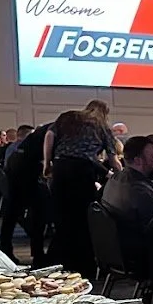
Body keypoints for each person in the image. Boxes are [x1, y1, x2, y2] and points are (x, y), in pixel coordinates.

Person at [43, 110, 120, 277]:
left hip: (61, 168)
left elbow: (49, 135)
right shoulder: (101, 126)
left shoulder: (68, 118)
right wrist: (122, 177)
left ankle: (55, 265)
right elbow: (113, 157)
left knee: (62, 219)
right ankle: (83, 268)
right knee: (84, 220)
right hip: (82, 171)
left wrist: (47, 162)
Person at [101, 136, 153, 274]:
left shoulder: (114, 180)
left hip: (113, 251)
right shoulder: (142, 192)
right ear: (138, 160)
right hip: (138, 258)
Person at [0, 124, 46, 263]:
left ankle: (5, 249)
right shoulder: (32, 145)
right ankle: (38, 253)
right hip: (26, 182)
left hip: (13, 185)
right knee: (40, 212)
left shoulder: (12, 149)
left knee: (10, 217)